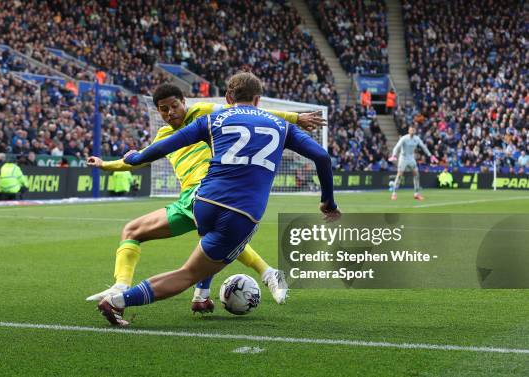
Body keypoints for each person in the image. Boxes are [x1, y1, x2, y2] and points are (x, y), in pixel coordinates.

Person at [97, 72, 340, 326]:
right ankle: (118, 302)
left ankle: (202, 294)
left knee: (208, 247)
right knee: (189, 272)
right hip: (242, 212)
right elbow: (322, 157)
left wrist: (135, 158)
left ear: (227, 97)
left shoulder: (212, 119)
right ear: (258, 100)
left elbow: (169, 143)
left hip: (203, 201)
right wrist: (328, 202)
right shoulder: (280, 125)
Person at [388, 127, 438, 200]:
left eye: (413, 130)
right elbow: (397, 146)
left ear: (415, 131)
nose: (412, 131)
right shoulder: (404, 138)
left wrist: (430, 155)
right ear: (408, 131)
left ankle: (416, 194)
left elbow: (423, 147)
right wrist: (394, 155)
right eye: (411, 130)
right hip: (403, 158)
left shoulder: (417, 139)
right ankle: (394, 193)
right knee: (399, 175)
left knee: (416, 175)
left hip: (411, 158)